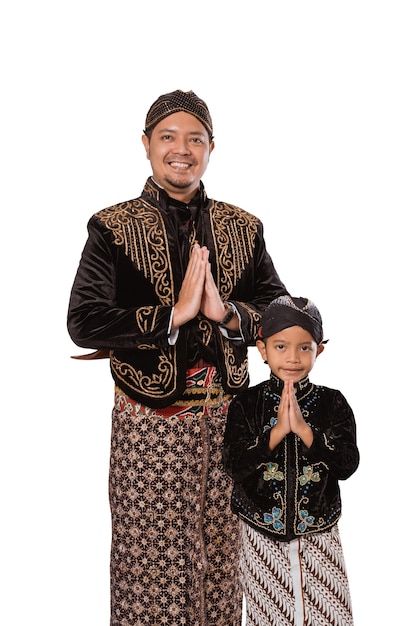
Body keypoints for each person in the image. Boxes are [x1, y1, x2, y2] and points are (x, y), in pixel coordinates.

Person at [67, 89, 289, 626]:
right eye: (168, 136)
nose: (181, 149)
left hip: (232, 423)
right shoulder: (112, 226)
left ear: (212, 148)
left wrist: (227, 311)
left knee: (221, 565)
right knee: (153, 571)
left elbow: (282, 312)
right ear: (146, 145)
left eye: (195, 138)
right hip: (150, 426)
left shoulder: (243, 226)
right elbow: (84, 320)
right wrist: (174, 314)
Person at [223, 295, 360, 626]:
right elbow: (234, 464)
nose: (293, 358)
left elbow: (346, 463)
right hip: (260, 533)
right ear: (262, 349)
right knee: (268, 614)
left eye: (304, 347)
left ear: (319, 350)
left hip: (318, 531)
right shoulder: (246, 403)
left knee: (330, 614)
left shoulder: (333, 403)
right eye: (281, 346)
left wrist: (304, 431)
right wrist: (276, 434)